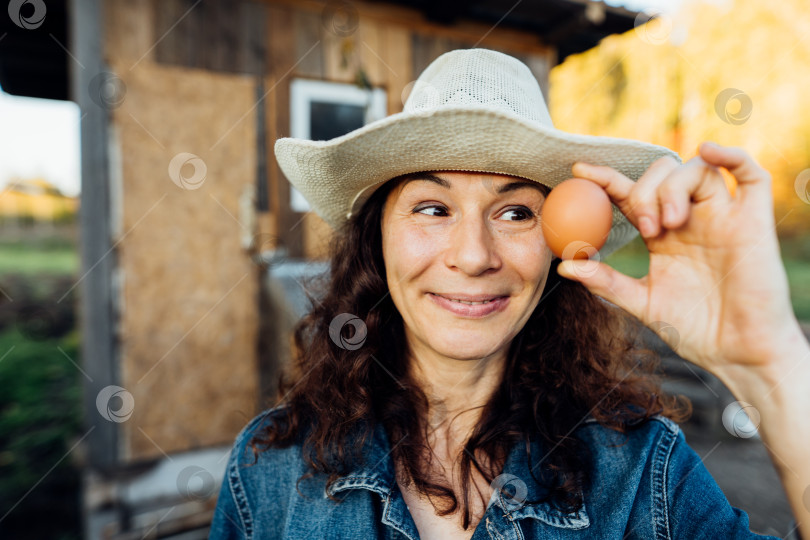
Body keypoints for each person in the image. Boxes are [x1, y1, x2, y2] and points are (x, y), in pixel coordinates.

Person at [208, 49, 809, 539]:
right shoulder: (267, 471)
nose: (473, 256)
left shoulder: (642, 476)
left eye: (517, 212)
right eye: (433, 207)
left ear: (557, 244)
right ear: (378, 239)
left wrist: (772, 359)